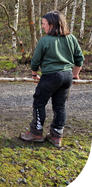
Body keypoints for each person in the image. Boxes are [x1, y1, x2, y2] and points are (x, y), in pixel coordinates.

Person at [20, 11, 84, 147]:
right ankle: (56, 136)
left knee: (39, 102)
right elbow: (79, 59)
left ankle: (36, 133)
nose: (42, 27)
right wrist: (75, 74)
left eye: (44, 24)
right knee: (60, 105)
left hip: (50, 76)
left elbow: (35, 60)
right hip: (67, 76)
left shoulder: (45, 40)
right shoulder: (71, 38)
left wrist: (33, 74)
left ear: (52, 24)